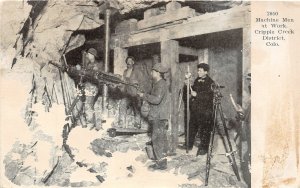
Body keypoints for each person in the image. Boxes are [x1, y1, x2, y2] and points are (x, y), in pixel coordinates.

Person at [137, 63, 170, 170]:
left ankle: (161, 163)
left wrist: (144, 96)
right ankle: (162, 160)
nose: (151, 73)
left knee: (157, 139)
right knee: (160, 138)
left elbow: (156, 100)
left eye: (152, 71)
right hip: (158, 115)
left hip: (158, 116)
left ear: (157, 73)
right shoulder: (158, 83)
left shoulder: (160, 84)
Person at [187, 63, 215, 156]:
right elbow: (193, 90)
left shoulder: (210, 82)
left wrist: (197, 95)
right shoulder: (197, 80)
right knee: (192, 127)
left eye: (200, 70)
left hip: (205, 110)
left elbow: (208, 96)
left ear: (206, 72)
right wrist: (187, 84)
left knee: (204, 129)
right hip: (196, 109)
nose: (198, 72)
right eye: (198, 70)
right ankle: (189, 144)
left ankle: (204, 148)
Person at [74, 48, 103, 130]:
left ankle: (91, 123)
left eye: (89, 54)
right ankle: (84, 122)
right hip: (86, 86)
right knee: (82, 104)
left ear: (93, 55)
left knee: (88, 105)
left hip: (92, 88)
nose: (87, 55)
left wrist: (83, 71)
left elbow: (93, 75)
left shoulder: (96, 65)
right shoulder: (88, 64)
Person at [119, 56, 141, 128]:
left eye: (130, 61)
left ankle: (137, 124)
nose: (128, 62)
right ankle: (122, 123)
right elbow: (123, 82)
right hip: (127, 93)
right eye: (127, 61)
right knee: (122, 104)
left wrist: (139, 91)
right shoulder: (125, 72)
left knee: (136, 109)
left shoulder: (137, 71)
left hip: (135, 93)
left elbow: (141, 82)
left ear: (133, 62)